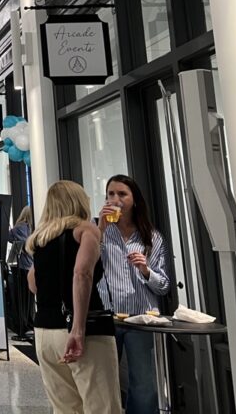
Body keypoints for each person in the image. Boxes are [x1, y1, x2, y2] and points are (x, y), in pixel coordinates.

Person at [27, 180, 121, 414]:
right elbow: (82, 273)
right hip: (84, 331)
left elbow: (33, 284)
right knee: (101, 406)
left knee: (65, 408)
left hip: (45, 333)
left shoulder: (40, 238)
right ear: (79, 201)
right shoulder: (85, 230)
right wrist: (78, 329)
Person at [97, 175, 170, 414]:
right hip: (107, 317)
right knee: (103, 382)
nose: (115, 199)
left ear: (134, 199)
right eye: (110, 194)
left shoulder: (152, 237)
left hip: (142, 318)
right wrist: (99, 229)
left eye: (122, 194)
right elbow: (86, 268)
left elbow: (164, 286)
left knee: (144, 385)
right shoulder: (100, 233)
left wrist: (146, 270)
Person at [9, 205, 34, 337]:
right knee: (29, 298)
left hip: (22, 266)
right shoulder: (28, 228)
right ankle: (28, 323)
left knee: (23, 298)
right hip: (28, 266)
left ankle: (23, 324)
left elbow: (9, 238)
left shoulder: (19, 228)